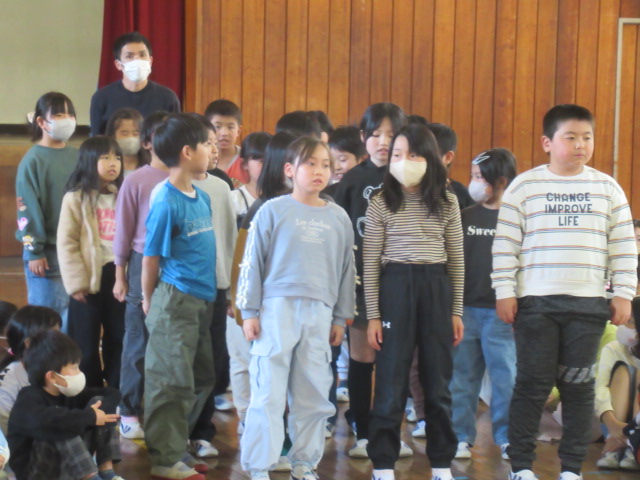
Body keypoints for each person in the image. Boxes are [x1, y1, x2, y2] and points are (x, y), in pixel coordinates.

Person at [491, 104, 638, 480]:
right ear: (547, 143)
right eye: (570, 137)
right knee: (532, 385)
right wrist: (504, 291)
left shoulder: (608, 188)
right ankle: (521, 467)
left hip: (588, 305)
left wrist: (624, 293)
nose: (580, 145)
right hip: (535, 304)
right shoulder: (524, 187)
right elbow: (505, 246)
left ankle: (571, 469)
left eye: (587, 137)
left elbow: (623, 246)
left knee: (579, 387)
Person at [237, 136, 355, 480]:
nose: (319, 171)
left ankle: (304, 463)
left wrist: (340, 317)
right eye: (310, 163)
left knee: (313, 393)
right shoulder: (273, 210)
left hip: (319, 313)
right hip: (276, 310)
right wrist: (249, 312)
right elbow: (252, 263)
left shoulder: (339, 218)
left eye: (325, 165)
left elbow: (347, 270)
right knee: (267, 393)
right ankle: (260, 465)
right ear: (289, 170)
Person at [363, 124, 464, 480]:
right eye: (397, 154)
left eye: (414, 154)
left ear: (431, 158)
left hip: (436, 287)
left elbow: (456, 260)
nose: (404, 161)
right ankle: (383, 465)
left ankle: (441, 464)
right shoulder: (380, 201)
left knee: (438, 383)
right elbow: (370, 263)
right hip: (395, 286)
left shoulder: (448, 201)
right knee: (391, 383)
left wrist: (456, 310)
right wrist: (373, 315)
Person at [142, 113, 216, 480]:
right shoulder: (166, 201)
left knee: (201, 377)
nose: (212, 150)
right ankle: (164, 458)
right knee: (170, 381)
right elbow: (151, 257)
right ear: (187, 152)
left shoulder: (202, 196)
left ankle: (176, 445)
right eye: (207, 144)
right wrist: (148, 300)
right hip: (175, 300)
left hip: (202, 301)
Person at [332, 102, 407, 458]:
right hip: (361, 284)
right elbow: (339, 232)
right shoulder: (353, 180)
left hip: (401, 283)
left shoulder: (411, 177)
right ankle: (362, 429)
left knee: (395, 361)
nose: (383, 142)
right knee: (362, 359)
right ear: (363, 137)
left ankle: (389, 431)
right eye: (376, 134)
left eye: (391, 135)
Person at [228, 132, 296, 472]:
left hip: (298, 308)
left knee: (292, 382)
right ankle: (264, 450)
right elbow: (242, 263)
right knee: (266, 382)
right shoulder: (261, 208)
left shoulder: (316, 207)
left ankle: (288, 445)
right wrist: (242, 307)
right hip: (265, 309)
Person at [449, 149, 518, 461]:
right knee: (462, 377)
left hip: (501, 313)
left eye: (480, 177)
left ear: (500, 180)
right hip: (465, 310)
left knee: (506, 378)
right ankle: (460, 436)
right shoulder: (465, 216)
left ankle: (507, 438)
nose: (473, 183)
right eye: (472, 176)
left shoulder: (516, 218)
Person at [112, 111, 170, 440]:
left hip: (177, 264)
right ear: (147, 143)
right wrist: (120, 274)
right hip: (140, 262)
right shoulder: (136, 180)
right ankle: (130, 409)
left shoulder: (188, 176)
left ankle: (164, 411)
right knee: (138, 338)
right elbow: (123, 231)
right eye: (161, 134)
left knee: (172, 340)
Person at [186, 114, 237, 459]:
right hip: (181, 288)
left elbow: (229, 238)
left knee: (210, 361)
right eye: (207, 143)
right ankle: (178, 433)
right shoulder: (168, 187)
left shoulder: (221, 187)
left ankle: (202, 431)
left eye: (214, 143)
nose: (214, 149)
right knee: (182, 362)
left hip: (216, 287)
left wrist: (230, 289)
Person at [8, 330, 123, 480]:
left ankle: (107, 473)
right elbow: (48, 421)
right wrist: (89, 417)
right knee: (61, 424)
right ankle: (90, 477)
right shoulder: (28, 398)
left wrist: (98, 415)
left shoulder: (67, 393)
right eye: (74, 367)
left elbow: (112, 394)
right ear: (52, 376)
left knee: (98, 402)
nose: (79, 372)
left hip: (66, 466)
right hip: (35, 472)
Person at [57, 136, 126, 389]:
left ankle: (116, 390)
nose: (113, 163)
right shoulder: (75, 198)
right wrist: (76, 283)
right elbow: (67, 243)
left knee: (118, 336)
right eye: (105, 157)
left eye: (116, 157)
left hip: (118, 277)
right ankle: (89, 392)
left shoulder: (122, 195)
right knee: (85, 342)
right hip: (88, 279)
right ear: (88, 161)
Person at [15, 92, 79, 329]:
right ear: (42, 122)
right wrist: (34, 251)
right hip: (47, 254)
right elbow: (27, 211)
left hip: (76, 251)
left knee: (73, 321)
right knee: (47, 321)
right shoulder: (33, 160)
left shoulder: (78, 156)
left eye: (70, 115)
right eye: (59, 115)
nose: (67, 120)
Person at [90, 31, 180, 136]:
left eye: (142, 55)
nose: (137, 60)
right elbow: (96, 140)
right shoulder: (101, 97)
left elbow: (175, 137)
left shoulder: (168, 97)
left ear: (150, 61)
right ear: (118, 64)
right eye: (129, 56)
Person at [0, 306, 62, 435]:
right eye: (54, 336)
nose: (61, 342)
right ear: (29, 343)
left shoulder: (50, 367)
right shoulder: (11, 380)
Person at [594, 298, 640, 470]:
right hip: (614, 423)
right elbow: (600, 388)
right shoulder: (614, 348)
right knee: (622, 371)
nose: (623, 325)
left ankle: (634, 445)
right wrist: (613, 424)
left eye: (630, 322)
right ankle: (615, 445)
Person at [231, 132, 271, 227]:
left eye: (271, 161)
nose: (268, 166)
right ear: (244, 164)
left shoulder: (284, 197)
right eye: (261, 161)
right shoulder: (234, 199)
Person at [204, 99, 245, 187]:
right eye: (217, 126)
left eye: (230, 127)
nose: (224, 133)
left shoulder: (246, 159)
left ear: (238, 131)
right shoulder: (199, 159)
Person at [105, 108, 147, 175]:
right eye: (124, 133)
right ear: (113, 136)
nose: (130, 138)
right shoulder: (105, 168)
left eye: (135, 133)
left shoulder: (150, 166)